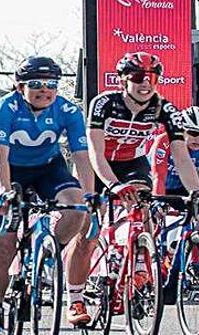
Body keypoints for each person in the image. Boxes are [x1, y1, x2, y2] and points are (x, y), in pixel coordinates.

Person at [67, 52, 199, 324]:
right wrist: (112, 186)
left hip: (131, 162)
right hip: (97, 163)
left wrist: (195, 192)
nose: (145, 83)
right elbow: (94, 150)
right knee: (87, 233)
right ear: (122, 80)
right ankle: (76, 299)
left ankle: (141, 265)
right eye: (138, 77)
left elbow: (182, 157)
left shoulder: (165, 108)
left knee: (144, 208)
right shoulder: (104, 103)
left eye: (151, 77)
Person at [0, 57, 93, 335]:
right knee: (4, 248)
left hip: (48, 169)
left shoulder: (67, 109)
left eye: (51, 84)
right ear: (21, 87)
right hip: (11, 171)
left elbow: (82, 157)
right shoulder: (6, 106)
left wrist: (90, 195)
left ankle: (48, 253)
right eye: (36, 84)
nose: (45, 89)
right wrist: (6, 192)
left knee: (78, 208)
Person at [150, 106, 199, 304]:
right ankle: (151, 263)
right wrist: (158, 201)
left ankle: (190, 265)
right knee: (156, 226)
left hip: (188, 187)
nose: (198, 138)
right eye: (193, 133)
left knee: (192, 227)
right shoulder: (164, 141)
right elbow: (158, 175)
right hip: (163, 187)